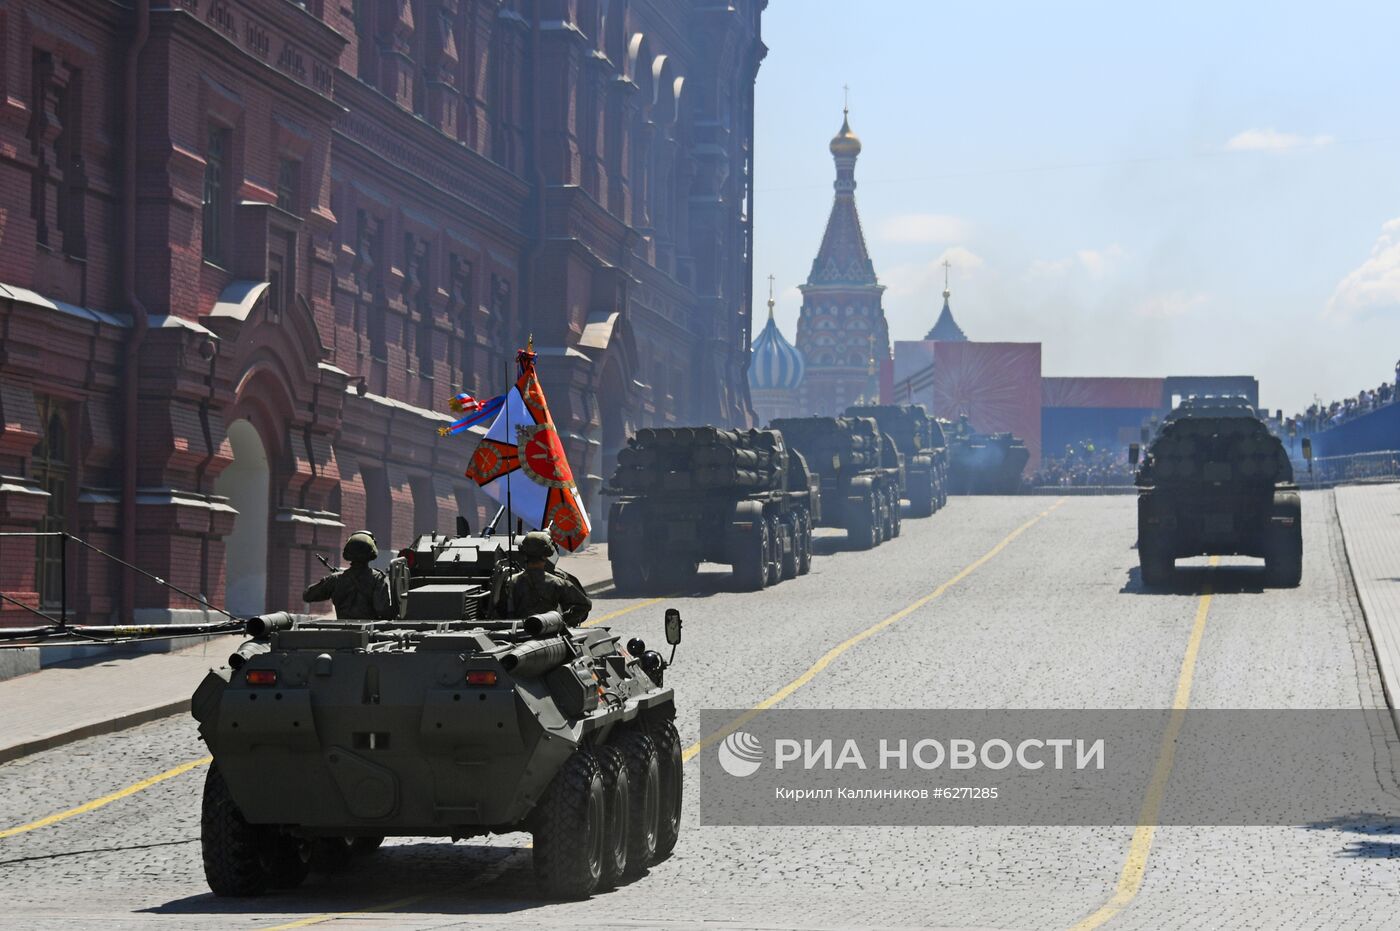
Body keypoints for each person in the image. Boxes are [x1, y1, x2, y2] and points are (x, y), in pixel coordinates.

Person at [503, 531, 591, 624]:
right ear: (546, 555)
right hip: (548, 630)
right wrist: (561, 619)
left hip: (517, 631)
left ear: (524, 553)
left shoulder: (511, 581)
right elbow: (585, 604)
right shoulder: (557, 582)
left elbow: (500, 609)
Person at [303, 530, 394, 620]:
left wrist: (333, 580)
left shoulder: (336, 579)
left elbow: (308, 595)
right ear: (371, 551)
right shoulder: (377, 578)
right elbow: (383, 611)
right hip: (369, 632)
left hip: (344, 631)